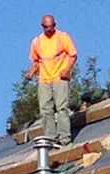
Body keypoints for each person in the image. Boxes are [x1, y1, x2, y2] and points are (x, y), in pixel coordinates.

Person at [27, 14, 78, 145]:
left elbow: (73, 55)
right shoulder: (37, 42)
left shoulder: (62, 37)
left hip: (59, 77)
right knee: (45, 109)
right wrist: (32, 72)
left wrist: (66, 70)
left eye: (51, 26)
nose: (49, 29)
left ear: (55, 25)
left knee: (62, 108)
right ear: (42, 26)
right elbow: (37, 61)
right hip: (44, 79)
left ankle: (64, 139)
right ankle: (51, 138)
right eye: (46, 27)